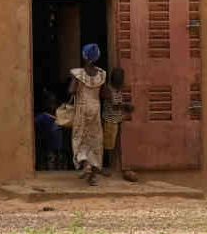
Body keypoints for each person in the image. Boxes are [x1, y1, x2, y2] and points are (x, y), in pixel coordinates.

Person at [69, 43, 106, 186]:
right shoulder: (102, 74)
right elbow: (105, 94)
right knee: (95, 139)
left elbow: (71, 90)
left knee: (80, 136)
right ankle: (94, 176)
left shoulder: (78, 74)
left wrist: (76, 83)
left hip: (82, 108)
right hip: (95, 108)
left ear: (84, 56)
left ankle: (86, 165)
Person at [101, 67, 137, 181]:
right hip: (110, 120)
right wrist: (126, 106)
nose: (121, 80)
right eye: (119, 78)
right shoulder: (108, 89)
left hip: (117, 120)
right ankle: (107, 167)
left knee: (115, 145)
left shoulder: (118, 89)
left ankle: (115, 166)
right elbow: (114, 105)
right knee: (108, 146)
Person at [35, 91, 63, 170]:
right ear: (45, 104)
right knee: (51, 160)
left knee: (59, 161)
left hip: (60, 147)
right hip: (48, 145)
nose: (52, 105)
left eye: (53, 103)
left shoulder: (62, 116)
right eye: (50, 103)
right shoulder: (43, 117)